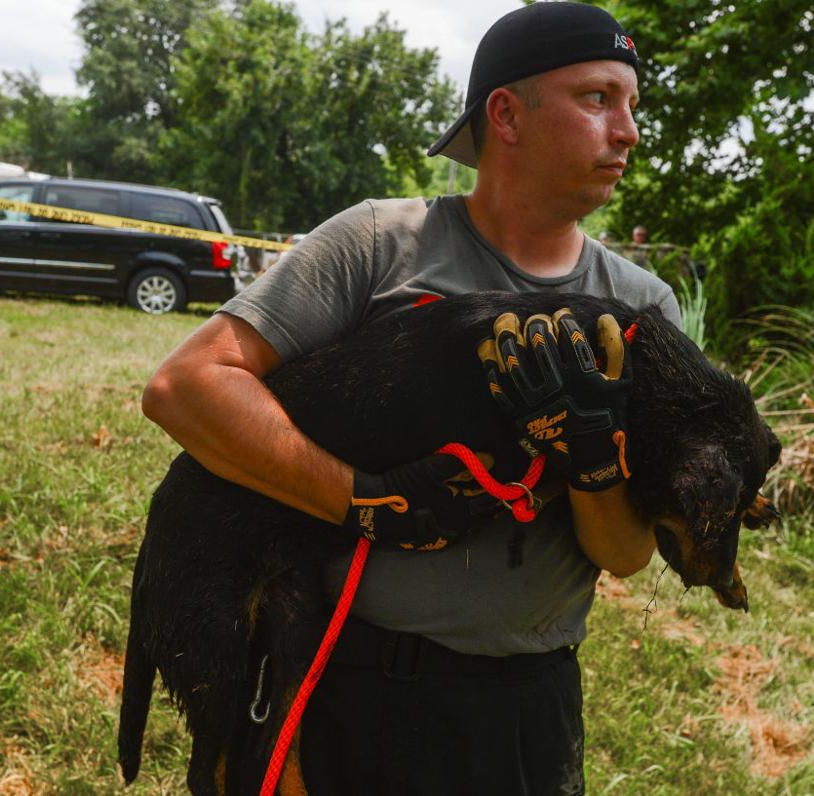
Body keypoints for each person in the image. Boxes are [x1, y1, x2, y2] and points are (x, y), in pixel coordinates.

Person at [141, 3, 680, 793]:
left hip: (529, 706)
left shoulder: (641, 309)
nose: (628, 130)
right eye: (598, 97)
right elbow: (185, 387)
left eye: (631, 105)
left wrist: (594, 462)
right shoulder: (378, 246)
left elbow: (628, 559)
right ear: (506, 114)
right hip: (342, 678)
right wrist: (368, 501)